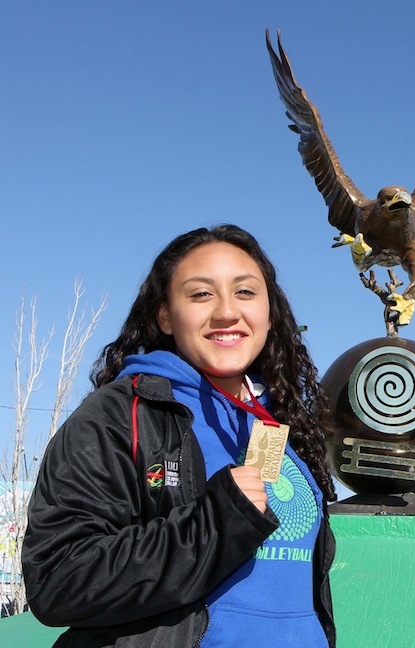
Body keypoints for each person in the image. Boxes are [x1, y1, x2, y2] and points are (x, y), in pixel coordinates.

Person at [23, 225, 337, 647]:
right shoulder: (119, 414)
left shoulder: (280, 422)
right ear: (166, 316)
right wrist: (216, 522)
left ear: (270, 313)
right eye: (201, 294)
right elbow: (59, 578)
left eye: (245, 292)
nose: (227, 311)